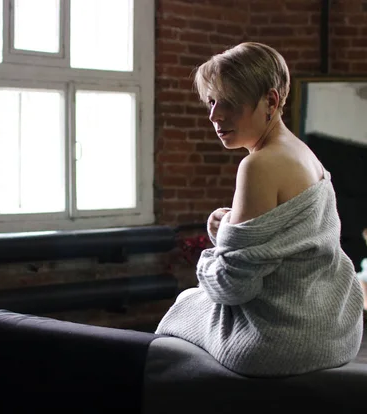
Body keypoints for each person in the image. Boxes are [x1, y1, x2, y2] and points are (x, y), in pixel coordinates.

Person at [155, 42, 364, 377]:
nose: (214, 115)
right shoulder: (304, 154)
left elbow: (232, 287)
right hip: (335, 333)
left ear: (270, 101)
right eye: (211, 101)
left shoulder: (259, 164)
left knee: (184, 305)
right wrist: (227, 228)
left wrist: (216, 248)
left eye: (228, 101)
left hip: (280, 342)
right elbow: (290, 239)